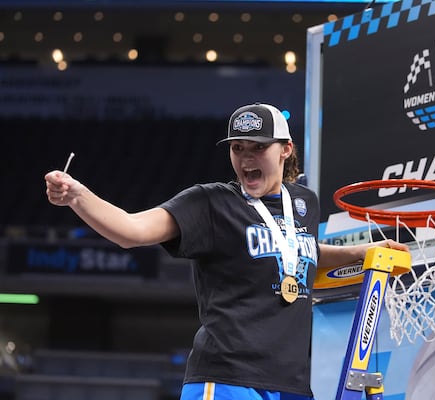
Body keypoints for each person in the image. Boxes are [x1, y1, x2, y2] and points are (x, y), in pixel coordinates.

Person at [45, 103, 408, 400]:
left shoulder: (304, 203)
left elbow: (301, 252)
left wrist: (362, 252)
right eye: (238, 148)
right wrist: (79, 196)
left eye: (258, 147)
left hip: (291, 386)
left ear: (285, 149)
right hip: (227, 381)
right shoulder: (211, 202)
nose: (246, 158)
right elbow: (131, 231)